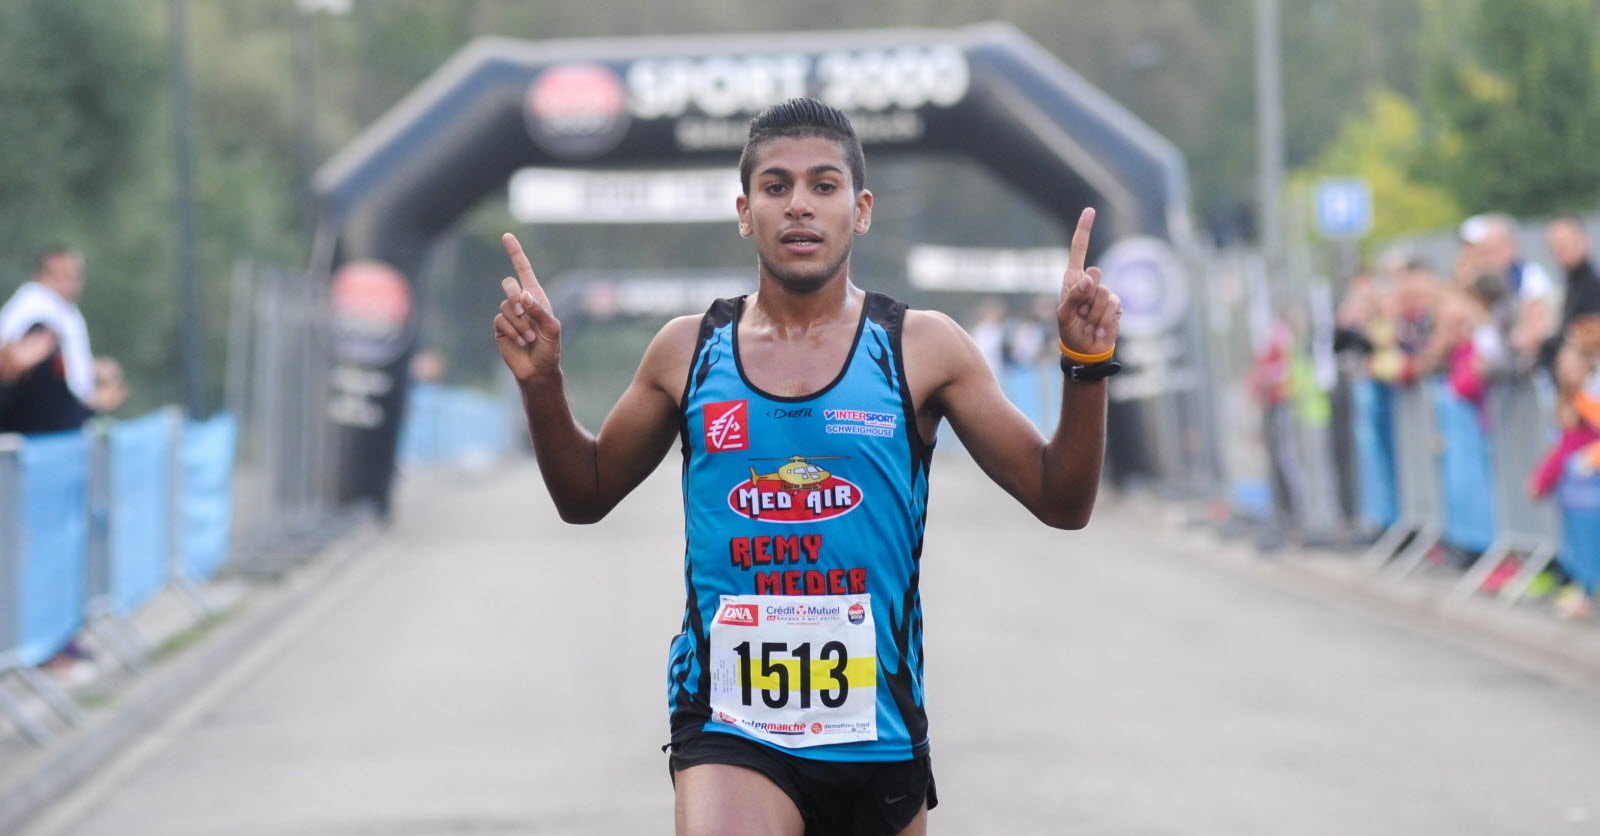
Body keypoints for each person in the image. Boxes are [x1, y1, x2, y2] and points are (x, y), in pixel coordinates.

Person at [491, 98, 1121, 836]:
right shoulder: (687, 351)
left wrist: (1085, 365)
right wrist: (542, 383)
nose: (799, 205)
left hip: (878, 731)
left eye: (824, 185)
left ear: (861, 210)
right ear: (744, 211)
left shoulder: (923, 347)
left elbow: (1061, 500)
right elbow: (585, 493)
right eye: (776, 186)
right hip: (729, 722)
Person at [0, 246, 127, 433]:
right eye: (64, 275)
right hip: (38, 432)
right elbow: (36, 387)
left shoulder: (60, 308)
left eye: (76, 275)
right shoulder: (37, 317)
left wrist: (92, 370)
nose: (72, 282)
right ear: (43, 275)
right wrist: (89, 405)